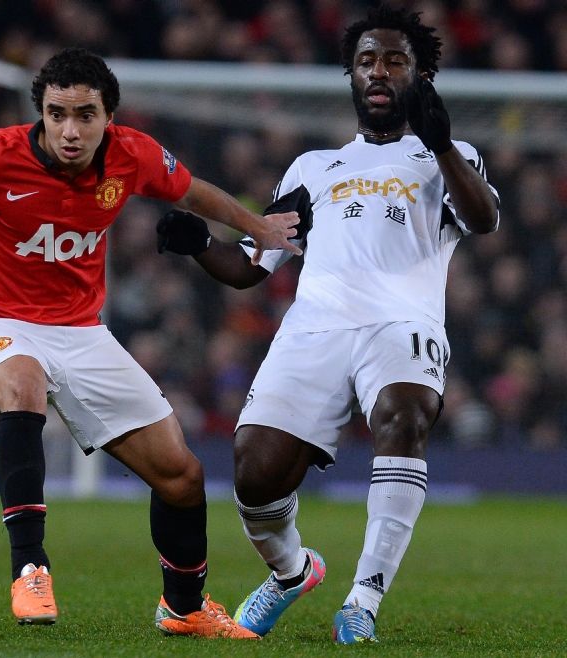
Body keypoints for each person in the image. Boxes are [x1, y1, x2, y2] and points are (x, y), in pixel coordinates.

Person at [0, 47, 301, 638]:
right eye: (57, 114)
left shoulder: (132, 154)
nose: (70, 130)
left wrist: (257, 227)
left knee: (181, 476)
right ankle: (30, 569)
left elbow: (192, 191)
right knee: (24, 383)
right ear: (41, 114)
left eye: (85, 115)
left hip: (80, 332)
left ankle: (184, 607)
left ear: (108, 118)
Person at [156, 4, 499, 644]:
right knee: (254, 471)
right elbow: (251, 266)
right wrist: (199, 243)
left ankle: (362, 602)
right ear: (351, 74)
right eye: (367, 60)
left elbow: (483, 220)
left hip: (402, 323)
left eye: (395, 60)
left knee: (404, 415)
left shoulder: (447, 157)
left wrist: (443, 144)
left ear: (420, 76)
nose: (379, 71)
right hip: (314, 328)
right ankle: (291, 572)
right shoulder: (312, 168)